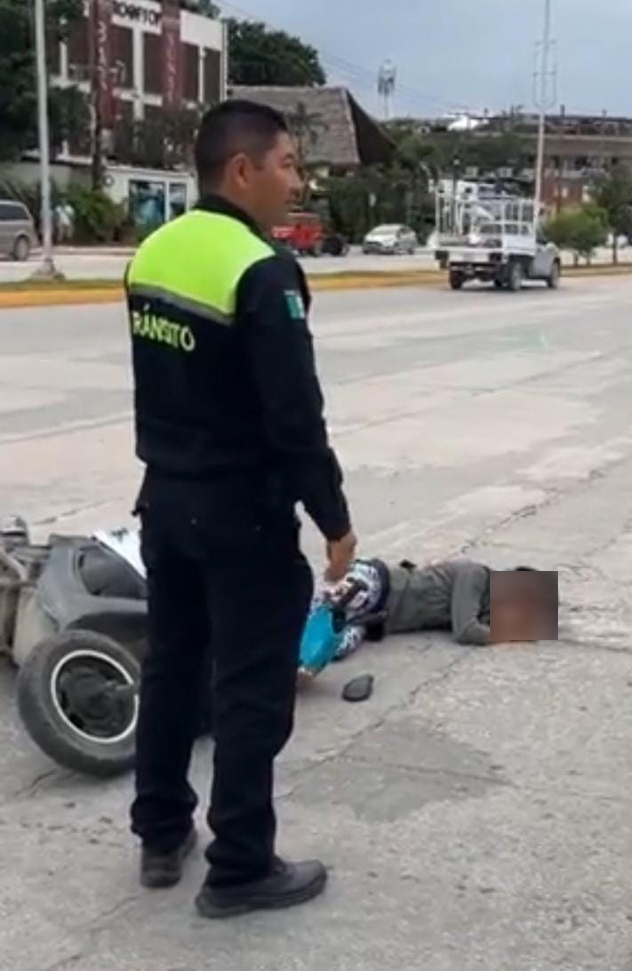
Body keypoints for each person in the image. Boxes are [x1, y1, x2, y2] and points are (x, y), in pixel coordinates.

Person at [125, 99, 356, 919]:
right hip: (241, 515)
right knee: (252, 687)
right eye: (290, 164)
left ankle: (160, 833)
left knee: (173, 665)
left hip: (166, 500)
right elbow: (294, 414)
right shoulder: (260, 269)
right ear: (242, 170)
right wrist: (332, 515)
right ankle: (241, 866)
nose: (299, 180)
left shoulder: (153, 252)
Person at [313, 559, 556, 664]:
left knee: (325, 650)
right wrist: (514, 635)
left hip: (376, 618)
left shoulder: (482, 606)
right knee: (328, 607)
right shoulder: (475, 576)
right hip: (379, 585)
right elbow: (467, 632)